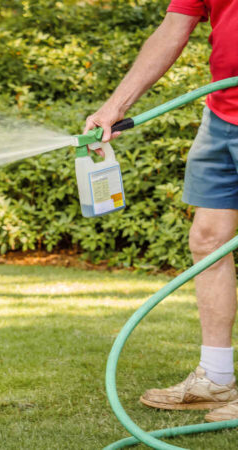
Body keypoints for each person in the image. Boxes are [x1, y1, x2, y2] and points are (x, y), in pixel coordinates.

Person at [84, 0, 238, 422]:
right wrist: (115, 106)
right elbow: (173, 28)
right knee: (208, 240)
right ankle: (217, 378)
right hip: (222, 116)